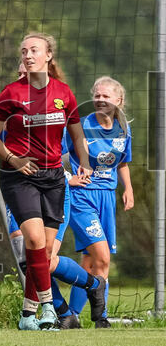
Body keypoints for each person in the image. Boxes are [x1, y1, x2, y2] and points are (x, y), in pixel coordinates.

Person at [0, 33, 104, 331]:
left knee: (45, 255)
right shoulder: (11, 93)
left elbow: (76, 133)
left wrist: (85, 161)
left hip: (54, 179)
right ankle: (50, 309)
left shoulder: (63, 93)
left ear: (48, 55)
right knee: (35, 243)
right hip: (19, 177)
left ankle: (29, 315)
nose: (27, 56)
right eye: (23, 51)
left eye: (34, 50)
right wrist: (13, 159)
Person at [61, 76, 133, 328]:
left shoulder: (123, 129)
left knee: (91, 261)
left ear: (119, 100)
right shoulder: (80, 126)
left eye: (106, 96)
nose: (100, 100)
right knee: (101, 257)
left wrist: (128, 189)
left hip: (107, 198)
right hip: (82, 197)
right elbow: (56, 155)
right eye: (97, 95)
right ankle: (99, 316)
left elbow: (122, 162)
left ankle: (73, 315)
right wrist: (68, 178)